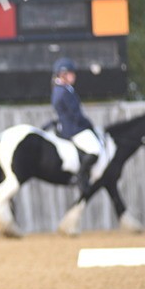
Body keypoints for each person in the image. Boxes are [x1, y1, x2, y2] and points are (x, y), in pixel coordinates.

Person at [51, 57, 101, 194]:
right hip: (73, 128)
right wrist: (88, 124)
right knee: (95, 150)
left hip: (72, 124)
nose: (74, 76)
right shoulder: (63, 92)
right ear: (63, 75)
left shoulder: (64, 89)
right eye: (71, 73)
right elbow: (75, 114)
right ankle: (81, 176)